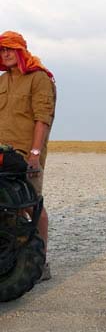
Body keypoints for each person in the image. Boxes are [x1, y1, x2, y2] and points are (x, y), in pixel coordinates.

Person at [0, 31, 56, 282]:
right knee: (6, 204)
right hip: (2, 154)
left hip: (25, 153)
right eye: (2, 50)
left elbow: (42, 118)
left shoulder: (39, 78)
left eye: (10, 49)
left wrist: (34, 154)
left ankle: (40, 261)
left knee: (32, 203)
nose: (6, 54)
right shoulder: (3, 81)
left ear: (22, 50)